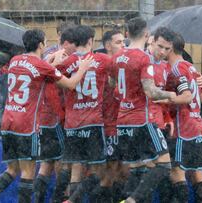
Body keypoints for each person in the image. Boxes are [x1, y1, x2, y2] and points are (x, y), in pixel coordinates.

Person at [0, 29, 94, 203]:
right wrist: (82, 68)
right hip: (26, 124)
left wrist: (51, 63)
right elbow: (70, 84)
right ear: (41, 44)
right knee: (28, 172)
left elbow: (34, 71)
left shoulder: (15, 61)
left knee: (11, 169)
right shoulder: (42, 66)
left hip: (8, 122)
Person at [111, 17, 176, 203]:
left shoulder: (117, 57)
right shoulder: (143, 59)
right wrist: (172, 95)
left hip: (123, 121)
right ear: (148, 36)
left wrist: (128, 95)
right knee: (164, 165)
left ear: (126, 34)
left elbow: (113, 87)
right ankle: (132, 201)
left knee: (139, 169)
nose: (163, 52)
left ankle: (128, 199)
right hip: (142, 120)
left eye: (167, 49)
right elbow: (150, 92)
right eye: (161, 47)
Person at [55, 25, 111, 203]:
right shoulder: (101, 59)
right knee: (98, 170)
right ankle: (72, 201)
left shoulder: (65, 63)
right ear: (90, 41)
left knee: (76, 168)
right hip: (93, 122)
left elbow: (49, 77)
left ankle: (69, 199)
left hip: (72, 124)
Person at [162, 32, 202, 203]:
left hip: (183, 127)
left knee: (176, 172)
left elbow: (186, 96)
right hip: (198, 125)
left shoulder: (176, 69)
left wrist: (163, 98)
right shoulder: (191, 67)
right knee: (196, 174)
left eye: (164, 47)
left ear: (171, 48)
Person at [35, 26, 77, 203]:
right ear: (66, 43)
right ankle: (60, 199)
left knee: (46, 164)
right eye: (76, 44)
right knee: (63, 163)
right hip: (54, 118)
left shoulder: (48, 56)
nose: (77, 49)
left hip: (43, 118)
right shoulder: (59, 58)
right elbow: (58, 87)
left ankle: (38, 200)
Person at [88, 29, 127, 203]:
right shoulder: (104, 66)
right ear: (107, 45)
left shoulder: (124, 65)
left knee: (120, 172)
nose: (123, 45)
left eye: (124, 42)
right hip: (108, 126)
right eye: (118, 42)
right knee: (108, 172)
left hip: (123, 126)